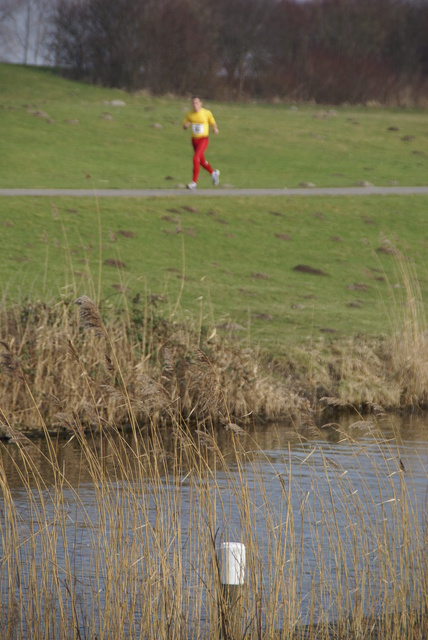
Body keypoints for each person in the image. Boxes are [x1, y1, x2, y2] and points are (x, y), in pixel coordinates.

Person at [183, 96, 220, 190]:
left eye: (196, 103)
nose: (194, 105)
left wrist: (215, 128)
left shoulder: (206, 113)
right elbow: (185, 125)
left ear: (200, 103)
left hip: (203, 140)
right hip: (194, 140)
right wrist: (186, 125)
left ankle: (194, 183)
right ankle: (213, 173)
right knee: (201, 161)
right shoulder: (189, 114)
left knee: (195, 159)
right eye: (193, 103)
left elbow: (212, 122)